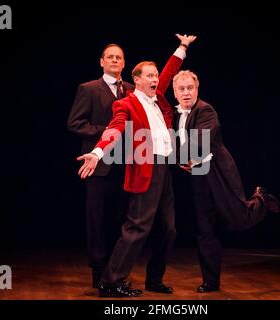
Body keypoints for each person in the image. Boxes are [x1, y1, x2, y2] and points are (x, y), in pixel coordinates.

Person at [77, 34, 197, 297]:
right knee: (138, 227)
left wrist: (182, 47)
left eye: (156, 76)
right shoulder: (127, 102)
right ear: (137, 80)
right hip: (146, 169)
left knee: (169, 229)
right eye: (150, 76)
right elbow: (114, 128)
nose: (155, 80)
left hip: (165, 169)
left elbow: (168, 73)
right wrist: (97, 152)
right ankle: (110, 281)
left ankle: (154, 280)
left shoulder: (158, 100)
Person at [172, 70, 280, 293]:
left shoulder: (205, 110)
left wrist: (181, 157)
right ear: (174, 92)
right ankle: (211, 282)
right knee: (205, 228)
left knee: (238, 218)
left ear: (197, 89)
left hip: (218, 172)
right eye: (181, 89)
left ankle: (261, 197)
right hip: (199, 176)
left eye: (190, 88)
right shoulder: (175, 115)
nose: (186, 93)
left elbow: (199, 141)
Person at [67, 44, 134, 288]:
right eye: (110, 57)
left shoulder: (131, 90)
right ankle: (98, 271)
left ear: (124, 63)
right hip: (98, 164)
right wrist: (103, 131)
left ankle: (115, 273)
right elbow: (75, 123)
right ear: (102, 62)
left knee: (121, 219)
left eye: (119, 57)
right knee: (97, 219)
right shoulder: (89, 89)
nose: (115, 60)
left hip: (126, 164)